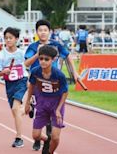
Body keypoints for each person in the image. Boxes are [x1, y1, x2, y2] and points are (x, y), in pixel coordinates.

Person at [24, 19, 79, 151]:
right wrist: (38, 54)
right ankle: (38, 137)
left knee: (51, 112)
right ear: (36, 32)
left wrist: (75, 73)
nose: (43, 33)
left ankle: (49, 135)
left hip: (53, 81)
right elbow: (27, 63)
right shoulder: (33, 46)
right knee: (39, 108)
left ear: (49, 32)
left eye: (45, 30)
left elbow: (67, 56)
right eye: (40, 30)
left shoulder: (56, 45)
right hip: (37, 81)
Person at [24, 45, 68, 154]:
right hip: (41, 104)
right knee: (35, 135)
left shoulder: (59, 75)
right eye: (41, 59)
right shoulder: (35, 71)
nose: (43, 62)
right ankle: (47, 141)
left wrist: (58, 109)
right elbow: (31, 86)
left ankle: (50, 152)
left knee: (55, 137)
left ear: (53, 59)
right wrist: (27, 102)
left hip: (56, 105)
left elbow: (65, 92)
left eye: (46, 59)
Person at [0, 27, 28, 148]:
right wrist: (4, 71)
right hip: (9, 84)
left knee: (15, 109)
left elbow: (28, 65)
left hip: (21, 81)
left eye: (11, 38)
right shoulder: (1, 55)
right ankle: (29, 108)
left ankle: (19, 138)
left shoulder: (22, 53)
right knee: (16, 112)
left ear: (16, 39)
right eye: (6, 38)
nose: (8, 40)